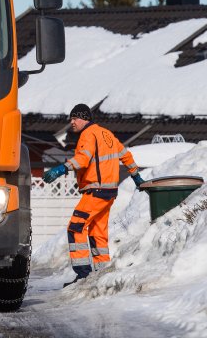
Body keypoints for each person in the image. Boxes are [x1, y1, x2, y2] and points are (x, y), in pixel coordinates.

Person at [43, 103, 145, 281]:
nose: (71, 122)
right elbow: (126, 155)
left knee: (76, 227)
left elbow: (83, 159)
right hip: (109, 192)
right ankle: (101, 273)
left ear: (84, 118)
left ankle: (83, 275)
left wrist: (60, 169)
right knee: (97, 233)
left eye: (74, 118)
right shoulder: (107, 134)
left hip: (95, 191)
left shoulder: (88, 134)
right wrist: (136, 177)